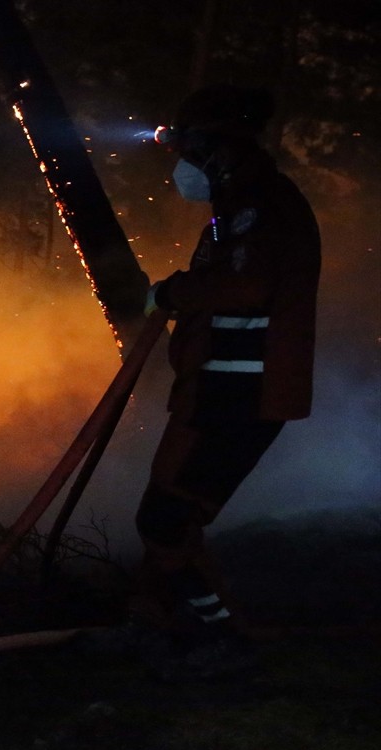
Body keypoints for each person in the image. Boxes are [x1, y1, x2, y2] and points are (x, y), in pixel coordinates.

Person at [137, 84, 321, 676]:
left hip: (240, 393)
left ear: (217, 149)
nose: (182, 165)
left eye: (188, 149)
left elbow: (245, 288)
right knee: (170, 516)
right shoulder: (238, 205)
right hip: (217, 388)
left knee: (166, 519)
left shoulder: (258, 206)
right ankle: (187, 623)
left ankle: (221, 639)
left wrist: (171, 292)